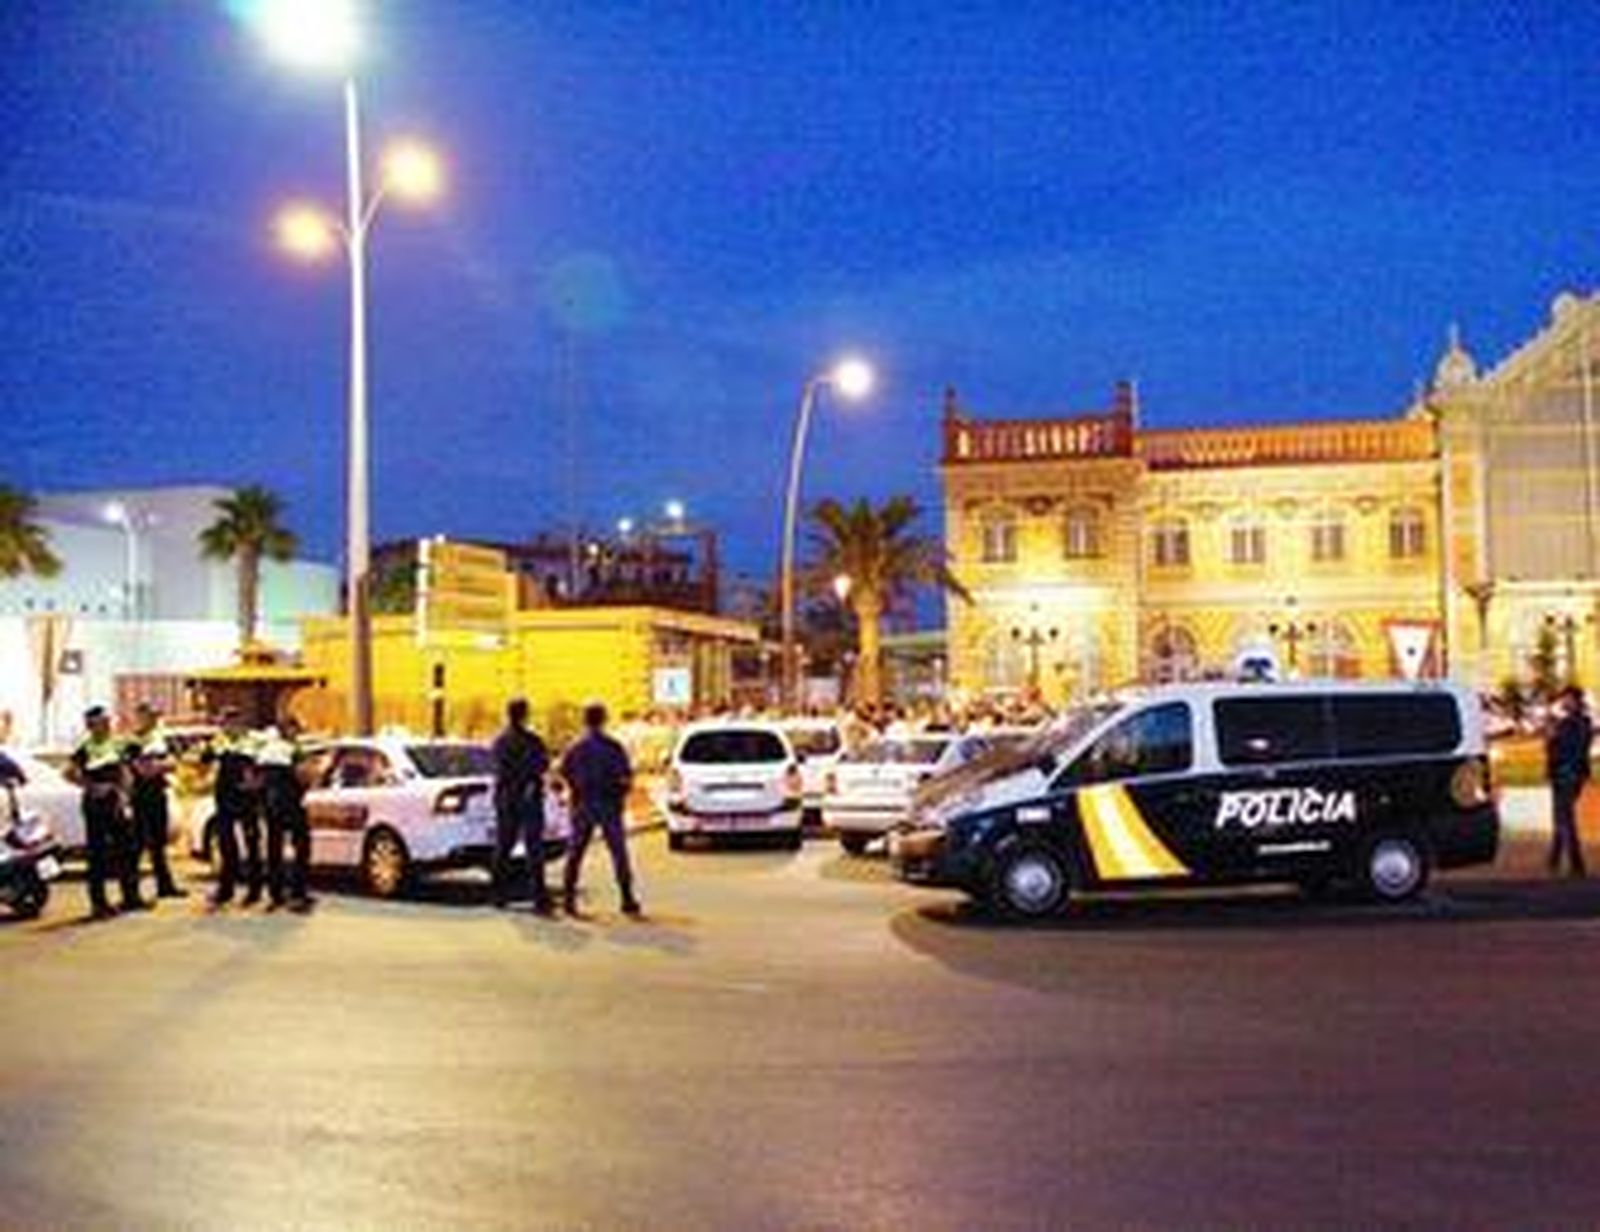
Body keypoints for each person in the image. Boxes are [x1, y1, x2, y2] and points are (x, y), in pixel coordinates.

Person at [560, 702, 640, 917]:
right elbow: (626, 776)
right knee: (618, 853)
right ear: (604, 719)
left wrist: (576, 789)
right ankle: (627, 898)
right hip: (608, 804)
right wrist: (620, 793)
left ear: (585, 720)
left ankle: (568, 900)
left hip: (583, 804)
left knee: (575, 852)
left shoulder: (575, 747)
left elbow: (563, 772)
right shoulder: (614, 747)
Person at [66, 705, 145, 920]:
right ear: (90, 726)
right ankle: (99, 904)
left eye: (106, 721)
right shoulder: (86, 747)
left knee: (127, 850)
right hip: (95, 805)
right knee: (97, 855)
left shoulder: (119, 743)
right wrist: (91, 786)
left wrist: (125, 794)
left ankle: (131, 897)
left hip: (117, 803)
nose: (105, 725)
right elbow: (69, 773)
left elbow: (127, 769)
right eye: (99, 723)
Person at [491, 697, 552, 913]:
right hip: (529, 797)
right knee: (534, 848)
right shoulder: (534, 741)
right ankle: (539, 896)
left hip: (507, 798)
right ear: (525, 715)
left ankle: (499, 895)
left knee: (503, 846)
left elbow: (499, 768)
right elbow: (543, 765)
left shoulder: (500, 741)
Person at [204, 709, 263, 909]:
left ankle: (254, 891)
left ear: (242, 723)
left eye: (233, 723)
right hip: (224, 799)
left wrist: (255, 782)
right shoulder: (218, 742)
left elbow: (263, 767)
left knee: (252, 844)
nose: (229, 727)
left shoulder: (253, 742)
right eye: (225, 723)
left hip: (247, 799)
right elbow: (203, 759)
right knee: (227, 847)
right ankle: (225, 890)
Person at [125, 702, 184, 899]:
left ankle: (165, 886)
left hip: (158, 794)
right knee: (137, 844)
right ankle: (132, 893)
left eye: (154, 717)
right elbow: (141, 769)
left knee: (158, 843)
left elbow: (175, 762)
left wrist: (158, 766)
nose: (152, 720)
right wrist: (159, 766)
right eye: (148, 716)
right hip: (141, 796)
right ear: (139, 717)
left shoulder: (160, 739)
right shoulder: (133, 741)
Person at [256, 714, 313, 913]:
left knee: (274, 850)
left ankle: (276, 894)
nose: (297, 732)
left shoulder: (266, 750)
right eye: (295, 729)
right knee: (302, 847)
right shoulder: (293, 749)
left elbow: (258, 779)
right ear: (288, 730)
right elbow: (303, 775)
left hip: (272, 807)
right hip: (291, 804)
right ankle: (298, 893)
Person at [1545, 684, 1593, 878]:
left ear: (1576, 700)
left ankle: (1576, 863)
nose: (1563, 702)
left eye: (1567, 698)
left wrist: (1554, 737)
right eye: (1563, 698)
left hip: (1568, 774)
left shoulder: (1580, 722)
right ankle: (1554, 859)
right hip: (1560, 773)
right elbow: (1554, 747)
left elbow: (1574, 749)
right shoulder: (1565, 722)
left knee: (1565, 817)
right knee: (1560, 816)